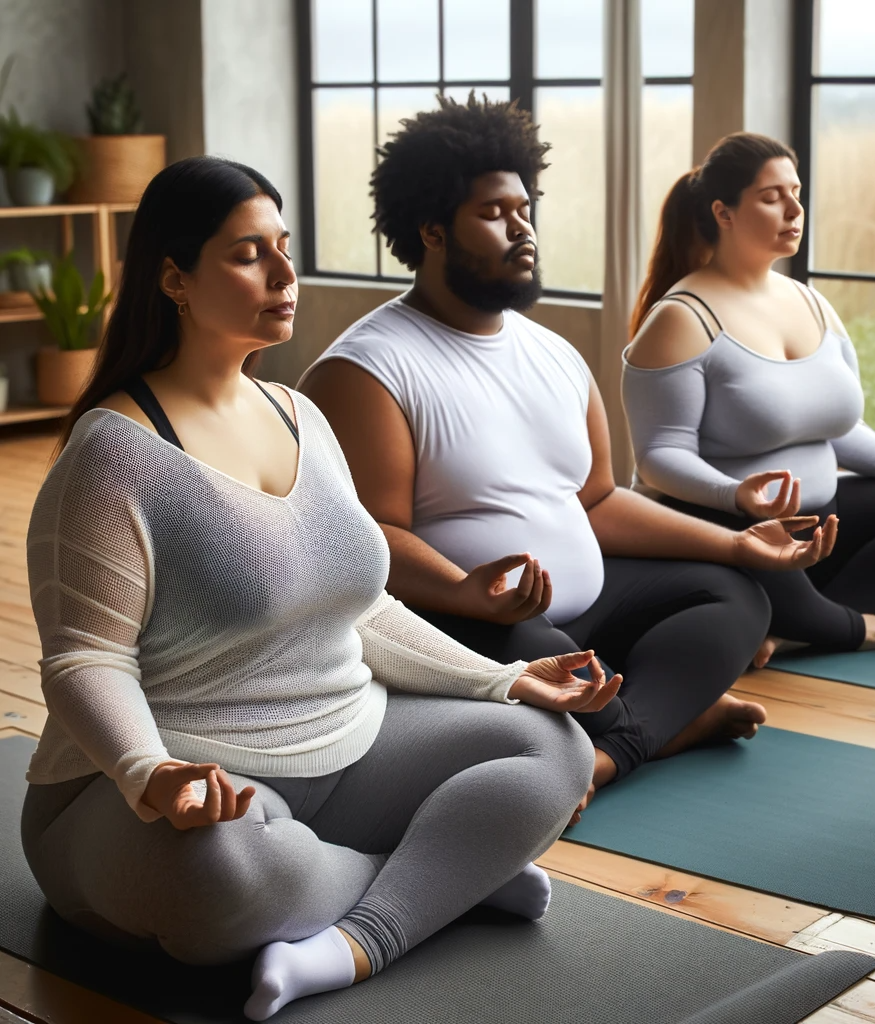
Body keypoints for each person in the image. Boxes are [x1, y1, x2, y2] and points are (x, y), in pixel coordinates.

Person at [21, 156, 613, 1022]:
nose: (284, 274)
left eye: (284, 246)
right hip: (184, 788)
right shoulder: (113, 454)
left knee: (550, 746)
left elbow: (364, 607)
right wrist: (149, 774)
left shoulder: (301, 413)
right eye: (247, 254)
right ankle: (440, 881)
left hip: (350, 744)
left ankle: (355, 938)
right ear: (174, 278)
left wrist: (504, 680)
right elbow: (85, 660)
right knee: (219, 876)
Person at [299, 96, 840, 811]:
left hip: (591, 602)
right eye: (495, 214)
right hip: (475, 622)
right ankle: (653, 728)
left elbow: (600, 502)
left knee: (735, 595)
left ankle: (614, 744)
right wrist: (467, 593)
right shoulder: (365, 372)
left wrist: (738, 545)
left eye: (526, 210)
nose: (522, 229)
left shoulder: (555, 354)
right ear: (432, 231)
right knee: (542, 649)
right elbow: (370, 542)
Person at [623, 132, 875, 664]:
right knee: (756, 569)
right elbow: (658, 457)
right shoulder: (681, 319)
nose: (794, 209)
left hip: (816, 529)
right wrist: (738, 496)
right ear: (724, 212)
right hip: (732, 531)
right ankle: (870, 630)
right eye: (771, 196)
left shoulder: (812, 303)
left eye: (796, 191)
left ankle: (797, 631)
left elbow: (841, 430)